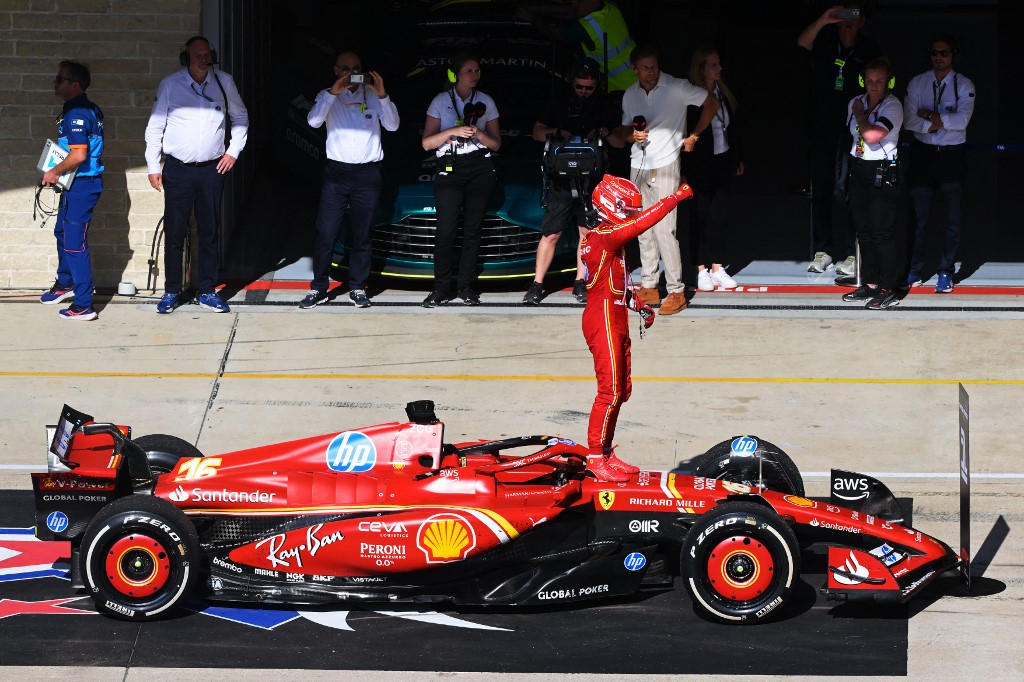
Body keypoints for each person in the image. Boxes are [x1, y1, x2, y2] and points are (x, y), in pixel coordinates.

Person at [581, 175, 694, 482]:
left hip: (611, 314)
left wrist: (637, 305)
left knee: (620, 391)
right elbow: (643, 222)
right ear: (613, 206)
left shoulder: (605, 238)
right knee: (610, 391)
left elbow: (614, 284)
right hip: (602, 318)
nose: (631, 216)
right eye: (627, 211)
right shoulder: (605, 236)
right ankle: (595, 457)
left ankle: (604, 453)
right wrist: (675, 198)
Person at [145, 35, 249, 314]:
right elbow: (155, 128)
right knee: (175, 231)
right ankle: (171, 291)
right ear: (186, 59)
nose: (204, 58)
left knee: (209, 231)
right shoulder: (171, 85)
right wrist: (154, 166)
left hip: (212, 170)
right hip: (178, 170)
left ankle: (207, 290)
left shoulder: (223, 83)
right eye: (197, 54)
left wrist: (233, 151)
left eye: (207, 53)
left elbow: (240, 118)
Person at [614, 45, 718, 316]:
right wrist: (631, 137)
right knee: (643, 228)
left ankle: (676, 290)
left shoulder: (676, 87)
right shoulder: (630, 94)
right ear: (635, 69)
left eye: (654, 66)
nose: (652, 72)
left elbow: (711, 102)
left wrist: (694, 135)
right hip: (638, 164)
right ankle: (649, 285)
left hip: (666, 164)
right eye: (646, 68)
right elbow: (626, 129)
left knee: (664, 230)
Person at [298, 50, 400, 310]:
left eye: (356, 68)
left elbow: (393, 126)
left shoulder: (374, 96)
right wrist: (334, 92)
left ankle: (357, 286)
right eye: (346, 68)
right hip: (337, 172)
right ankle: (319, 288)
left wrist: (383, 94)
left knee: (362, 234)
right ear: (336, 70)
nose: (351, 73)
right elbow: (313, 121)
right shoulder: (327, 95)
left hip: (367, 173)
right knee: (326, 232)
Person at [524, 59, 623, 306]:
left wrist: (604, 132)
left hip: (593, 179)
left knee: (586, 232)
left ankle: (581, 281)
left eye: (589, 88)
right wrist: (558, 132)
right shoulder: (558, 102)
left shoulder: (606, 105)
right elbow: (536, 131)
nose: (584, 92)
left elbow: (621, 142)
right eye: (579, 87)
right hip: (560, 179)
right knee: (551, 233)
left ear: (597, 85)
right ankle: (537, 283)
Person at [797, 3, 880, 275]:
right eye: (843, 16)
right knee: (821, 189)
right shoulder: (825, 41)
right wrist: (823, 19)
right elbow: (802, 43)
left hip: (853, 131)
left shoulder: (869, 49)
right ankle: (823, 250)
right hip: (822, 129)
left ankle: (851, 252)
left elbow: (881, 84)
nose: (848, 21)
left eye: (854, 16)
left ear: (864, 21)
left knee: (848, 191)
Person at [420, 54, 501, 307]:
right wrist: (453, 131)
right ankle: (441, 288)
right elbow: (426, 143)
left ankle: (465, 286)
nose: (474, 75)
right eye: (468, 71)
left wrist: (478, 133)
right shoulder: (440, 101)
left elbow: (496, 144)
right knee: (445, 230)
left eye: (477, 70)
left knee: (472, 230)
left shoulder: (486, 101)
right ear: (455, 75)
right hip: (450, 166)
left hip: (479, 166)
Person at [903, 34, 976, 293]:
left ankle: (946, 271)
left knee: (951, 219)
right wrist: (938, 122)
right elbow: (909, 121)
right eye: (934, 52)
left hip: (952, 158)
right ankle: (914, 269)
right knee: (919, 218)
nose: (939, 57)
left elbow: (962, 122)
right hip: (923, 154)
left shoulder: (964, 84)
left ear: (953, 55)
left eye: (944, 53)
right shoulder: (917, 82)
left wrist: (929, 116)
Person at [39, 60, 104, 321]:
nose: (55, 83)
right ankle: (65, 283)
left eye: (59, 79)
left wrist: (54, 171)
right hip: (74, 184)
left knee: (75, 244)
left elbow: (78, 155)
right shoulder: (85, 109)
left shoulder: (77, 113)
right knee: (62, 233)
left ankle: (83, 304)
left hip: (82, 185)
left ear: (74, 85)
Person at [838, 58, 903, 309]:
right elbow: (852, 136)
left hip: (882, 171)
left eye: (879, 81)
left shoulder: (893, 106)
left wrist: (859, 114)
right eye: (870, 81)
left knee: (882, 233)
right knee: (863, 231)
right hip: (859, 168)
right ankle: (871, 282)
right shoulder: (856, 100)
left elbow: (872, 135)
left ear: (889, 81)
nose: (874, 86)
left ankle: (889, 287)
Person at [681, 48, 744, 293]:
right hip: (699, 166)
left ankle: (718, 268)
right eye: (714, 65)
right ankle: (700, 269)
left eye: (719, 64)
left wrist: (738, 156)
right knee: (699, 218)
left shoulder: (723, 92)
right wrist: (683, 171)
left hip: (722, 161)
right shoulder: (690, 97)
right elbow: (684, 136)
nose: (719, 68)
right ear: (701, 69)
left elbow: (733, 128)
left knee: (720, 216)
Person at [515, 0, 637, 94]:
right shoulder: (610, 8)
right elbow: (570, 12)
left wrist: (531, 18)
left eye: (579, 0)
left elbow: (555, 33)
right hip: (637, 77)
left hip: (621, 87)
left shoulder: (587, 28)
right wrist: (534, 9)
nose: (573, 3)